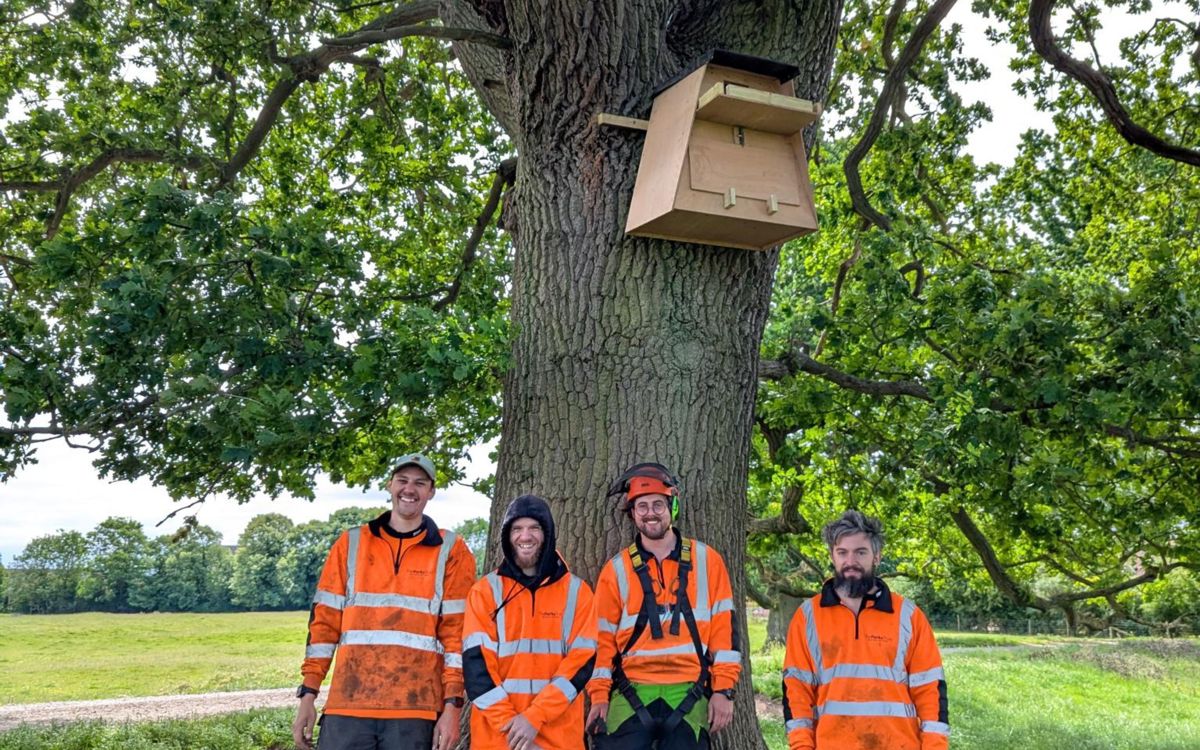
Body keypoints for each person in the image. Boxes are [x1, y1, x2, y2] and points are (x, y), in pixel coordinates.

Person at [292, 453, 477, 750]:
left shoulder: (451, 550)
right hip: (347, 706)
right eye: (402, 481)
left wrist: (453, 705)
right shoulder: (350, 543)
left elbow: (458, 636)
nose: (409, 489)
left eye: (420, 483)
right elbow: (324, 626)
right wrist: (308, 696)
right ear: (390, 485)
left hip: (415, 711)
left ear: (431, 492)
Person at [585, 462, 741, 750]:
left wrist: (723, 691)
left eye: (658, 504)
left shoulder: (708, 561)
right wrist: (598, 696)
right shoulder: (616, 570)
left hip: (689, 688)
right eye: (641, 506)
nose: (650, 513)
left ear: (672, 507)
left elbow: (725, 635)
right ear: (632, 514)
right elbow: (601, 641)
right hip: (630, 688)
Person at [782, 510, 949, 750]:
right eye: (842, 552)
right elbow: (796, 691)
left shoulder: (908, 616)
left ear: (877, 556)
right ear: (832, 555)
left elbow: (930, 690)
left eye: (861, 552)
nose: (851, 561)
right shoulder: (807, 616)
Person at [463, 494, 597, 750]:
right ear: (507, 536)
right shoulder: (485, 592)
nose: (525, 537)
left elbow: (580, 666)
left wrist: (534, 718)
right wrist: (514, 728)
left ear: (547, 533)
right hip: (498, 740)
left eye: (534, 528)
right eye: (517, 529)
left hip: (559, 740)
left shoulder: (578, 593)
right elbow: (477, 671)